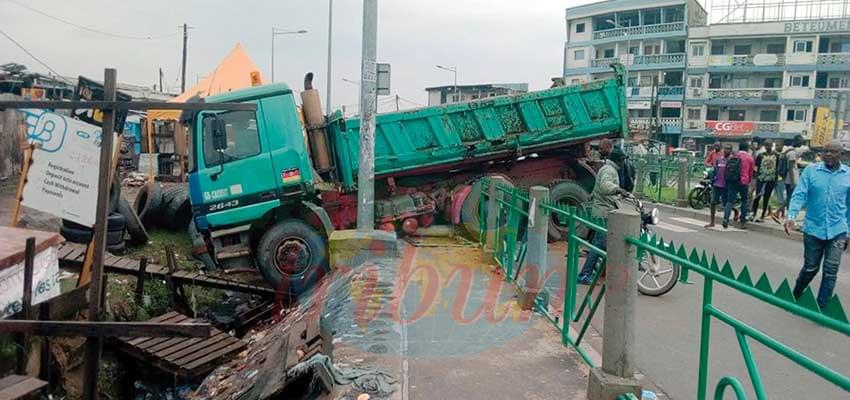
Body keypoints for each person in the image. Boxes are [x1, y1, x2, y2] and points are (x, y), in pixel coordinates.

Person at [785, 140, 850, 309]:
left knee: (831, 271)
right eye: (825, 151)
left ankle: (821, 307)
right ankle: (796, 294)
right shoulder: (811, 171)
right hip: (813, 229)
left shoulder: (847, 175)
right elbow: (800, 194)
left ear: (841, 154)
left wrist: (848, 232)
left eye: (833, 151)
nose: (828, 154)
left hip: (838, 230)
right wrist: (791, 216)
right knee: (810, 268)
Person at [577, 148, 630, 284]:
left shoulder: (608, 168)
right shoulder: (609, 170)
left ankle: (598, 270)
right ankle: (585, 274)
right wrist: (617, 189)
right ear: (619, 160)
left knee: (601, 244)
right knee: (600, 245)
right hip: (604, 213)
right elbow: (605, 186)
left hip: (603, 210)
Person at [723, 142, 755, 229]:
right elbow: (751, 172)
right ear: (747, 148)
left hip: (732, 181)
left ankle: (726, 218)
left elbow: (727, 168)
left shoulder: (734, 156)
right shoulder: (750, 158)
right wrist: (748, 181)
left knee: (730, 201)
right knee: (744, 201)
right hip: (743, 182)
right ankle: (742, 221)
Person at [705, 144, 733, 228]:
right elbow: (715, 169)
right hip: (717, 184)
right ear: (723, 149)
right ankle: (712, 221)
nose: (726, 150)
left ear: (731, 150)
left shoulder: (732, 160)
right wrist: (713, 178)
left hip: (726, 185)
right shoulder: (719, 159)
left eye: (728, 149)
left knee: (726, 203)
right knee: (713, 202)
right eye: (726, 148)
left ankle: (732, 213)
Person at [752, 142, 779, 222]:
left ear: (771, 146)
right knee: (757, 196)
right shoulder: (761, 155)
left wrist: (776, 179)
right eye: (766, 145)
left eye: (769, 145)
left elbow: (777, 168)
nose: (768, 147)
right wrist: (757, 175)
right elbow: (756, 166)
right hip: (761, 178)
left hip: (771, 179)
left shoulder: (776, 156)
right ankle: (753, 213)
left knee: (766, 198)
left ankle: (762, 215)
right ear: (765, 146)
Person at [772, 141, 787, 222]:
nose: (776, 147)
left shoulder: (783, 155)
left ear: (782, 145)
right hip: (773, 177)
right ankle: (776, 212)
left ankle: (782, 213)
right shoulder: (774, 154)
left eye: (778, 145)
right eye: (776, 145)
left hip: (780, 178)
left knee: (780, 196)